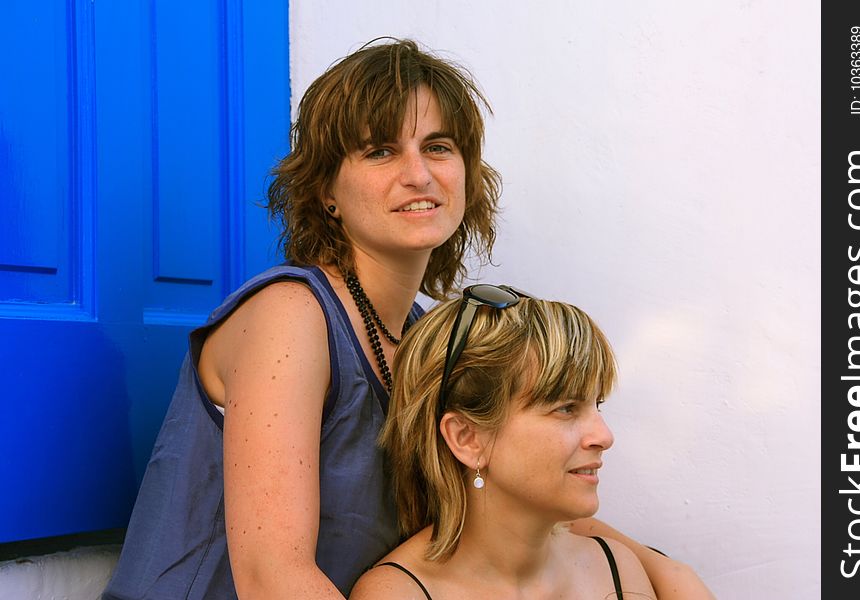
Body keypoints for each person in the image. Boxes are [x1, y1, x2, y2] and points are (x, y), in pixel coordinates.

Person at [103, 38, 711, 599]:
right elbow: (274, 576)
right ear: (325, 190)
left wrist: (665, 572)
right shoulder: (291, 315)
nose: (418, 174)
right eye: (381, 150)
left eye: (439, 147)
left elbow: (520, 484)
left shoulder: (427, 331)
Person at [351, 287, 657, 599]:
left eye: (598, 405)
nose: (604, 437)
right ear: (467, 438)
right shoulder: (398, 594)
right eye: (566, 408)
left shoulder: (619, 570)